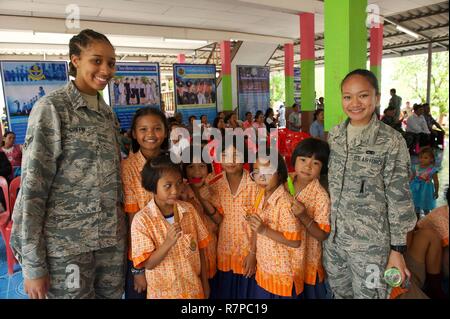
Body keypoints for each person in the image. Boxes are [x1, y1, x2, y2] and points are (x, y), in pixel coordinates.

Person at [10, 29, 126, 299]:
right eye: (96, 61)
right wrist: (34, 265)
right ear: (75, 60)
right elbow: (32, 192)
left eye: (111, 62)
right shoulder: (52, 109)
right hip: (67, 248)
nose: (105, 69)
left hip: (109, 244)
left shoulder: (106, 114)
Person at [323, 69, 416, 299]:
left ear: (376, 97)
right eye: (347, 96)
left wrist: (397, 250)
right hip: (334, 244)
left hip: (371, 248)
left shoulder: (391, 141)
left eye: (363, 95)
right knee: (338, 295)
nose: (354, 103)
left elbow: (399, 199)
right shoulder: (335, 136)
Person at [130, 154, 210, 299]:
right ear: (152, 187)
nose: (175, 191)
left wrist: (205, 283)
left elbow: (201, 250)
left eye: (179, 183)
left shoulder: (189, 210)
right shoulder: (142, 220)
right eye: (168, 186)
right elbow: (148, 264)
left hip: (193, 290)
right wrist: (168, 243)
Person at [121, 107, 169, 299]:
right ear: (134, 133)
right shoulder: (128, 168)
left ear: (165, 132)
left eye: (157, 128)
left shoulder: (172, 163)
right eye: (143, 129)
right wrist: (137, 270)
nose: (151, 134)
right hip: (143, 252)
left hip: (171, 247)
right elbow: (132, 221)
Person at [206, 136, 260, 299]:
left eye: (235, 155)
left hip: (247, 253)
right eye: (224, 155)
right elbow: (216, 218)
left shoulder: (254, 183)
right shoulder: (214, 184)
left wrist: (253, 253)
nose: (230, 160)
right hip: (224, 251)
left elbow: (259, 221)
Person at [247, 151, 303, 299]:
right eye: (257, 172)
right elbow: (255, 229)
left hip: (282, 273)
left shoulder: (285, 203)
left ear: (279, 174)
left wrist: (264, 230)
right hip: (265, 268)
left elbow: (295, 241)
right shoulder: (260, 195)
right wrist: (252, 254)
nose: (262, 178)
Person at [289, 138, 331, 299]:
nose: (307, 166)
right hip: (284, 258)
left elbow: (322, 235)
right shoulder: (284, 181)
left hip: (307, 258)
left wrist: (304, 217)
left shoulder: (320, 196)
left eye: (315, 163)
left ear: (322, 169)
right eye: (303, 160)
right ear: (294, 160)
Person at [181, 145, 223, 298]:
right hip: (194, 268)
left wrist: (205, 201)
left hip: (215, 261)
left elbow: (219, 221)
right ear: (184, 170)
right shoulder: (180, 194)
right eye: (191, 167)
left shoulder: (214, 190)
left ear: (208, 168)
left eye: (201, 166)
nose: (197, 172)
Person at [410, 146, 439, 219]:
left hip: (426, 191)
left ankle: (428, 221)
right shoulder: (415, 167)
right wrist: (408, 187)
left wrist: (436, 191)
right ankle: (417, 222)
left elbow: (436, 182)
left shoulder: (432, 170)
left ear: (431, 159)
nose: (422, 159)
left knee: (426, 207)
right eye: (421, 157)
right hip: (416, 190)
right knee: (416, 207)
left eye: (425, 158)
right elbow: (412, 177)